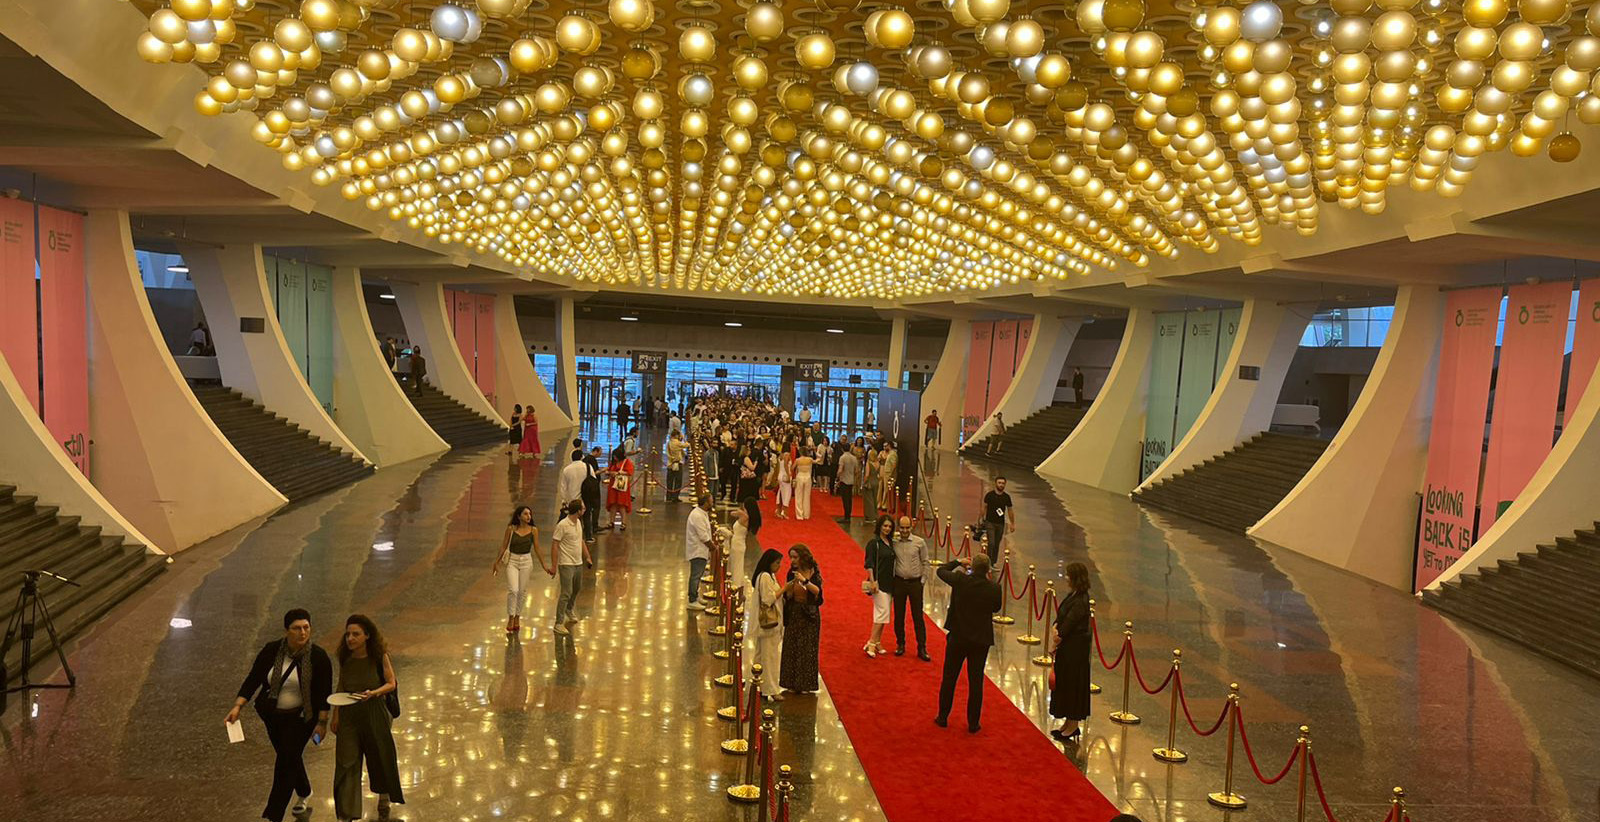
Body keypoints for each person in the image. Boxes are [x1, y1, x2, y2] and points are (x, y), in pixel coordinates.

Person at [226, 608, 332, 822]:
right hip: (273, 717)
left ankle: (274, 815)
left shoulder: (318, 656)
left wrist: (322, 723)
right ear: (286, 631)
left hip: (303, 718)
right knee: (289, 756)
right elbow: (254, 678)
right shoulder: (272, 650)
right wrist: (238, 706)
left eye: (306, 627)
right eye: (296, 628)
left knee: (285, 761)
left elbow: (323, 693)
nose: (302, 632)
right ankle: (304, 791)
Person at [331, 615, 403, 822]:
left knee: (379, 756)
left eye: (356, 634)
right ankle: (347, 812)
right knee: (346, 761)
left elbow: (391, 683)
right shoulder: (346, 657)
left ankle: (384, 797)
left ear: (367, 636)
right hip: (349, 714)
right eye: (348, 634)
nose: (350, 638)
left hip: (375, 712)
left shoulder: (379, 656)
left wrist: (374, 693)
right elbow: (341, 685)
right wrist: (336, 715)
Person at [934, 554, 1001, 733]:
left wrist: (958, 562)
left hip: (958, 636)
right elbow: (996, 607)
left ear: (972, 566)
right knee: (976, 681)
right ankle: (973, 723)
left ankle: (943, 716)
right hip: (980, 639)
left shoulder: (960, 580)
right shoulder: (994, 588)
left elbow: (941, 570)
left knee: (950, 677)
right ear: (988, 570)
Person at [1050, 562, 1093, 742]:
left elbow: (1069, 623)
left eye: (1068, 575)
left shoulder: (1081, 601)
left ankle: (1073, 725)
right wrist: (1055, 627)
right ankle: (1068, 722)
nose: (1066, 578)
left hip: (1075, 652)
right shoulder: (1073, 595)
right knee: (1065, 684)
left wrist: (1057, 635)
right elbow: (1062, 616)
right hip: (1067, 650)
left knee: (1073, 686)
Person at [492, 505, 545, 635]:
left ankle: (517, 616)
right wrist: (497, 562)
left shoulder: (533, 530)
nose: (528, 516)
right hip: (513, 561)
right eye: (525, 514)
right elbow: (504, 546)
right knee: (513, 590)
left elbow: (537, 548)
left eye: (530, 514)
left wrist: (544, 565)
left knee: (522, 591)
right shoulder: (511, 529)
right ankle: (510, 617)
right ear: (519, 516)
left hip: (526, 561)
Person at [779, 544, 823, 695]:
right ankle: (790, 682)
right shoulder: (791, 573)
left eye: (795, 557)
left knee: (807, 649)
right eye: (791, 557)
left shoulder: (813, 572)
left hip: (809, 614)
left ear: (803, 557)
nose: (792, 560)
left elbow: (818, 592)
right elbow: (788, 595)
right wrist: (789, 591)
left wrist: (804, 581)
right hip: (794, 612)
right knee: (791, 647)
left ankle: (805, 684)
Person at [890, 515, 931, 661]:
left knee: (918, 617)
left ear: (911, 527)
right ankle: (900, 644)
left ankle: (922, 647)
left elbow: (926, 562)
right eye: (902, 528)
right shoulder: (894, 542)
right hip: (899, 582)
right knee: (899, 616)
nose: (904, 530)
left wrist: (922, 581)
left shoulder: (919, 542)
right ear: (898, 527)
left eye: (907, 528)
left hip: (915, 584)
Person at [551, 500, 592, 635]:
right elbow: (555, 545)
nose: (584, 510)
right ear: (578, 511)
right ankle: (558, 622)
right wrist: (554, 565)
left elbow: (581, 541)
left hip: (578, 562)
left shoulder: (578, 523)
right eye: (583, 508)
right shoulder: (562, 525)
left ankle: (569, 609)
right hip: (566, 563)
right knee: (566, 592)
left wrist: (587, 556)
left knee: (576, 588)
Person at [751, 548, 785, 701]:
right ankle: (771, 689)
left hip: (765, 625)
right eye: (777, 563)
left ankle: (758, 683)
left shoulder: (769, 576)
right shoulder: (764, 577)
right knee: (770, 657)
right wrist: (784, 589)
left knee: (761, 655)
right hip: (768, 625)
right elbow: (767, 599)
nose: (779, 566)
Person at [862, 515, 896, 658]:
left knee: (884, 613)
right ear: (880, 526)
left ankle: (877, 641)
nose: (887, 529)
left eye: (889, 526)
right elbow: (869, 563)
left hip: (890, 583)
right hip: (878, 583)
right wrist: (873, 580)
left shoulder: (890, 542)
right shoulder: (873, 543)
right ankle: (871, 642)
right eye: (885, 526)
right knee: (882, 612)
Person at [729, 496, 761, 604]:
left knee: (737, 568)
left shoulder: (745, 516)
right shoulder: (747, 516)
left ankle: (738, 591)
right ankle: (739, 591)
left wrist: (740, 510)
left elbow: (732, 513)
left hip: (737, 545)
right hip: (738, 544)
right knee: (737, 567)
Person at [685, 494, 715, 610]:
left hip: (700, 550)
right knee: (696, 575)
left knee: (698, 574)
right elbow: (703, 536)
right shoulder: (697, 516)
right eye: (711, 501)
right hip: (697, 550)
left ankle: (695, 596)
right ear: (706, 502)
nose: (712, 503)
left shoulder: (702, 513)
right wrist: (713, 547)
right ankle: (692, 600)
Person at [981, 476, 1014, 565]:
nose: (1001, 485)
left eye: (1003, 483)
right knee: (991, 543)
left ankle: (993, 562)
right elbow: (984, 507)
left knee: (996, 544)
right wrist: (981, 519)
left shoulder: (1006, 497)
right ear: (995, 483)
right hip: (990, 522)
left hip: (1000, 523)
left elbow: (1010, 510)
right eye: (999, 483)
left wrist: (1012, 523)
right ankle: (988, 562)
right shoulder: (989, 495)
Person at [605, 444, 635, 531]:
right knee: (613, 503)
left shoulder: (627, 462)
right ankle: (611, 521)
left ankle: (623, 522)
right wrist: (609, 472)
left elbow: (630, 472)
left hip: (621, 486)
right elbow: (609, 469)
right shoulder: (614, 462)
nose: (614, 458)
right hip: (613, 485)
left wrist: (618, 473)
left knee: (622, 504)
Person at [581, 446, 604, 541]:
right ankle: (594, 525)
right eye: (600, 452)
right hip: (593, 487)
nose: (601, 454)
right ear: (596, 451)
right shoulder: (592, 460)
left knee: (588, 508)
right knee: (596, 506)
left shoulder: (586, 459)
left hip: (586, 487)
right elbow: (594, 472)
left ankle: (587, 526)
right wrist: (603, 470)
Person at [558, 451, 590, 517]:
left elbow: (563, 487)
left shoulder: (566, 469)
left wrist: (564, 500)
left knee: (572, 518)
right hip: (585, 499)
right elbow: (594, 480)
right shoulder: (588, 467)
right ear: (582, 457)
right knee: (586, 518)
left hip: (571, 500)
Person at [835, 444, 859, 523]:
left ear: (842, 449)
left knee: (845, 499)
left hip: (844, 480)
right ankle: (848, 515)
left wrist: (837, 477)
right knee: (849, 499)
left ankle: (846, 516)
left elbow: (840, 469)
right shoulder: (854, 458)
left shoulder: (842, 457)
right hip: (851, 480)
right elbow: (856, 470)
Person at [792, 447, 815, 520]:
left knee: (798, 496)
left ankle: (799, 515)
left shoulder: (798, 460)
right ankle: (806, 515)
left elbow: (792, 468)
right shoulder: (810, 459)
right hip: (808, 477)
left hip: (800, 476)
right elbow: (817, 461)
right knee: (807, 496)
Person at [860, 444, 880, 522]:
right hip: (876, 481)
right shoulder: (878, 463)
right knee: (875, 499)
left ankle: (870, 516)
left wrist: (863, 483)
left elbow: (867, 475)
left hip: (869, 483)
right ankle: (875, 515)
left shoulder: (869, 463)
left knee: (869, 500)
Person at [878, 441, 899, 513]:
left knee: (887, 490)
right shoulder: (886, 453)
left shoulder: (893, 454)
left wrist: (890, 474)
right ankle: (880, 504)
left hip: (888, 473)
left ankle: (885, 505)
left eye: (886, 446)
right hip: (884, 472)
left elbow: (894, 465)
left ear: (889, 446)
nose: (884, 447)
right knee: (882, 488)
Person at [665, 429, 686, 502]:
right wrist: (683, 439)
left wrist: (671, 458)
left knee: (669, 481)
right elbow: (687, 445)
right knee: (678, 481)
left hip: (670, 463)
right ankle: (675, 496)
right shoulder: (678, 443)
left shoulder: (669, 443)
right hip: (678, 463)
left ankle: (669, 496)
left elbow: (667, 453)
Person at [775, 445, 794, 519]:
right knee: (787, 494)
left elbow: (778, 466)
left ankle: (778, 510)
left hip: (780, 475)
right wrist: (788, 475)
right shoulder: (787, 455)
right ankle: (784, 512)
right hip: (785, 476)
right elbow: (786, 464)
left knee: (780, 494)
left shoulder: (780, 455)